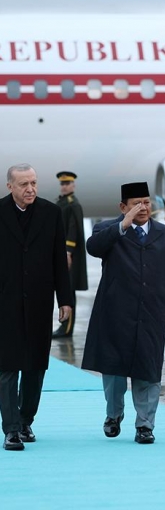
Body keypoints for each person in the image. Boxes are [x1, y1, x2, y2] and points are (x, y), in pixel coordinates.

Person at [83, 182, 165, 445]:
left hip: (151, 312)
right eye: (136, 203)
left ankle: (145, 424)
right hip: (115, 312)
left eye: (146, 202)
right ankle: (113, 414)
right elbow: (93, 248)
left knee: (148, 369)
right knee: (114, 369)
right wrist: (123, 225)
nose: (143, 207)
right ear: (123, 207)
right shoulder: (107, 229)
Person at [0, 164, 72, 451]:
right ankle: (11, 430)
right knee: (7, 367)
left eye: (34, 183)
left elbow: (59, 260)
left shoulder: (51, 213)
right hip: (5, 303)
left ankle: (25, 419)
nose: (30, 189)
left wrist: (65, 299)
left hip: (40, 302)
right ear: (10, 187)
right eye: (24, 184)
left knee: (35, 367)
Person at [53, 171, 88, 338]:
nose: (64, 186)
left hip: (68, 255)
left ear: (73, 185)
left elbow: (73, 230)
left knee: (68, 291)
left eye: (67, 184)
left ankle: (66, 328)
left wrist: (68, 252)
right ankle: (63, 325)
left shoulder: (73, 204)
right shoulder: (61, 203)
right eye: (62, 184)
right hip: (59, 254)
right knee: (63, 290)